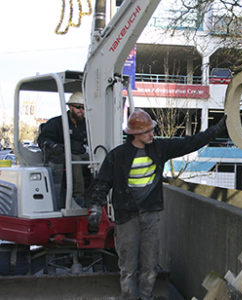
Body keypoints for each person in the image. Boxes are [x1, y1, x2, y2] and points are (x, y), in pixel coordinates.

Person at [87, 109, 227, 300]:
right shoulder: (118, 155)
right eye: (147, 131)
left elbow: (189, 143)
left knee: (150, 264)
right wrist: (96, 206)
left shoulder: (159, 148)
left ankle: (146, 297)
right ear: (135, 134)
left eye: (152, 130)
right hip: (126, 216)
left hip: (150, 214)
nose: (152, 134)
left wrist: (215, 131)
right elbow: (102, 182)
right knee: (128, 266)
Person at [37, 91, 89, 207]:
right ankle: (78, 197)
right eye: (78, 107)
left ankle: (96, 194)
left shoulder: (86, 124)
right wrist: (54, 146)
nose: (81, 110)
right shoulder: (56, 123)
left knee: (96, 159)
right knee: (75, 160)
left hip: (78, 153)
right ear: (70, 107)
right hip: (58, 157)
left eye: (84, 108)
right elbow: (43, 139)